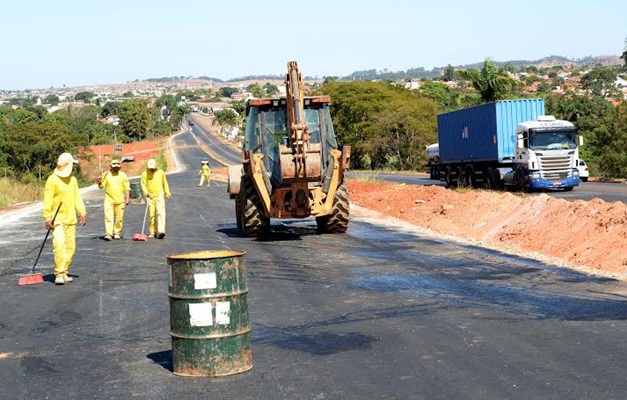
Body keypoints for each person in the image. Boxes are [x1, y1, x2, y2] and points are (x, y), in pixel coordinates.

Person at [42, 152, 87, 285]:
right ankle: (59, 273)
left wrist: (82, 212)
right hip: (58, 219)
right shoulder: (52, 180)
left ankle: (65, 271)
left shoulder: (73, 180)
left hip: (71, 218)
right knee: (59, 244)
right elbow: (48, 200)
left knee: (70, 248)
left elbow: (77, 197)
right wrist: (47, 217)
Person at [97, 159, 130, 240]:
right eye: (114, 167)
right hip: (109, 200)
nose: (116, 168)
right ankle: (109, 234)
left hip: (120, 200)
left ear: (119, 167)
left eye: (117, 167)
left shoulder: (123, 175)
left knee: (119, 218)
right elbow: (102, 186)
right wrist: (99, 182)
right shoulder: (107, 175)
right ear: (111, 167)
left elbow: (127, 187)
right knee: (108, 217)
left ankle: (117, 233)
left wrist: (127, 198)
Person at [140, 158, 171, 239]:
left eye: (153, 167)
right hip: (150, 196)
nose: (152, 169)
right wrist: (146, 193)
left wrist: (167, 193)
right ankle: (152, 232)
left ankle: (161, 231)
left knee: (161, 213)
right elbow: (143, 184)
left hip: (159, 194)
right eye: (150, 168)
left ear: (156, 166)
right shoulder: (145, 173)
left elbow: (165, 183)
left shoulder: (160, 172)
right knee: (151, 215)